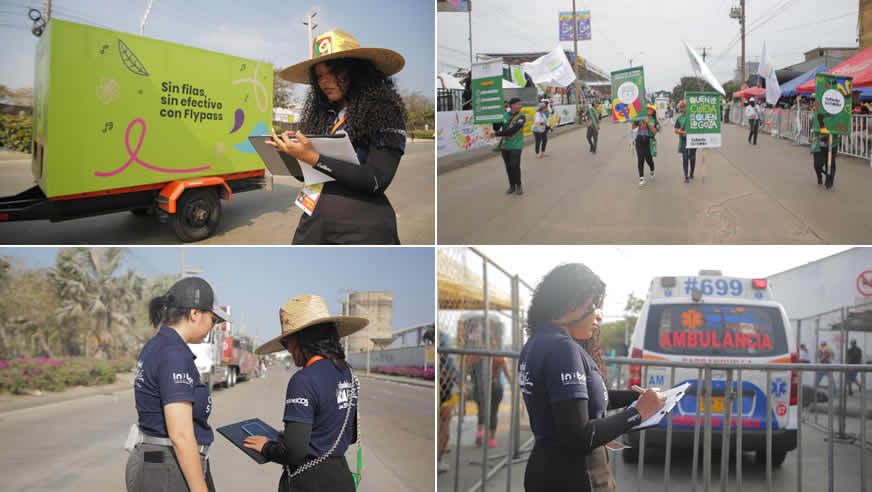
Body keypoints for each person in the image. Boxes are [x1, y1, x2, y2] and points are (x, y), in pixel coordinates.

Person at [519, 263, 666, 492]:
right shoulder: (562, 349)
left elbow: (577, 403)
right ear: (572, 304)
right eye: (595, 306)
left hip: (546, 469)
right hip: (576, 477)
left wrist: (635, 397)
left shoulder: (537, 342)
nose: (599, 316)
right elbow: (578, 436)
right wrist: (638, 413)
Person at [269, 30, 407, 245]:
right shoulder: (322, 117)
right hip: (313, 222)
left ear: (357, 72)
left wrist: (314, 157)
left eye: (333, 72)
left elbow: (376, 180)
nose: (325, 81)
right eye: (319, 76)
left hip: (361, 229)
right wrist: (290, 154)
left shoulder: (385, 114)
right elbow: (310, 176)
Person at [246, 294, 366, 492]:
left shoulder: (303, 380)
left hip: (310, 483)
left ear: (302, 339)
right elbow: (350, 434)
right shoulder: (348, 373)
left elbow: (293, 453)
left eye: (286, 342)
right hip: (342, 479)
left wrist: (266, 447)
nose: (288, 350)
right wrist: (303, 432)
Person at [126, 277, 228, 492]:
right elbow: (181, 435)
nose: (213, 326)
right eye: (213, 319)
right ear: (194, 314)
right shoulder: (174, 354)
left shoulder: (156, 346)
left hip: (158, 464)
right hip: (168, 470)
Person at [492, 97, 527, 195]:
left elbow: (514, 130)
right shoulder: (504, 115)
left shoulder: (521, 116)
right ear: (512, 105)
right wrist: (495, 118)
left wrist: (497, 134)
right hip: (505, 145)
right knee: (508, 166)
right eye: (518, 104)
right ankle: (512, 186)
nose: (520, 106)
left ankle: (518, 185)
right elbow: (496, 127)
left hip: (516, 144)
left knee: (515, 165)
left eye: (521, 104)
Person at [632, 104, 660, 186]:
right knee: (640, 159)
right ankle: (641, 178)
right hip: (639, 139)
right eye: (647, 109)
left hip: (649, 140)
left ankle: (652, 170)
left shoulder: (655, 121)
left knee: (649, 159)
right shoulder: (640, 117)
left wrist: (648, 122)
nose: (648, 110)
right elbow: (633, 127)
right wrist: (634, 120)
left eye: (650, 109)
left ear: (653, 111)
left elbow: (655, 132)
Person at [674, 99, 696, 183]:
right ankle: (686, 176)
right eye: (681, 107)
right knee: (685, 157)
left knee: (693, 157)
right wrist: (683, 132)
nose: (683, 108)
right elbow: (676, 130)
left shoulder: (694, 116)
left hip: (694, 139)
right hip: (684, 140)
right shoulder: (679, 118)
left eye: (684, 106)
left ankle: (692, 173)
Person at [811, 125, 838, 189]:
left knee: (830, 164)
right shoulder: (818, 117)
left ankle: (829, 181)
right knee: (818, 164)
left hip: (832, 144)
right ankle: (819, 176)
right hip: (819, 145)